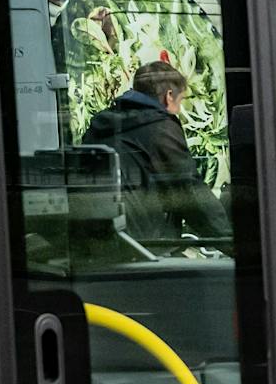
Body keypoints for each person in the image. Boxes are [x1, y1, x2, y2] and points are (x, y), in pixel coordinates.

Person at [86, 59, 230, 246]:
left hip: (101, 242)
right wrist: (228, 241)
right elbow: (188, 191)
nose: (178, 110)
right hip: (147, 245)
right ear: (169, 96)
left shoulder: (101, 124)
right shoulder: (159, 127)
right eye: (181, 101)